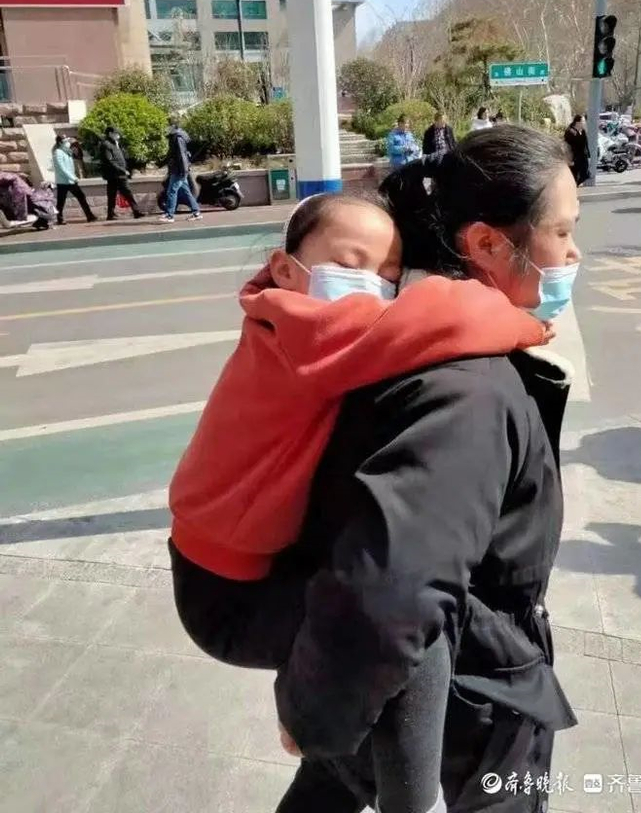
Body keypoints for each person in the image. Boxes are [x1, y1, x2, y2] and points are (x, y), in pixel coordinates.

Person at [169, 192, 549, 813]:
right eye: (350, 265)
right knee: (411, 631)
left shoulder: (293, 325)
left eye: (388, 277)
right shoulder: (303, 329)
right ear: (285, 268)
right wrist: (521, 323)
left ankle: (348, 758)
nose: (371, 287)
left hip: (245, 566)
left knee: (355, 725)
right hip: (224, 595)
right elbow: (441, 320)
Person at [273, 125, 579, 813]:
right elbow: (389, 589)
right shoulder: (469, 389)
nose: (573, 253)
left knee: (334, 784)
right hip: (472, 692)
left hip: (429, 671)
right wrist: (312, 713)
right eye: (562, 232)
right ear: (487, 244)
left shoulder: (433, 340)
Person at [160, 118, 201, 224]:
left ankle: (170, 215)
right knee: (186, 191)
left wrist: (183, 170)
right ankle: (196, 212)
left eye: (168, 125)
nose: (166, 128)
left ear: (173, 126)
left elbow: (181, 155)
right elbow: (172, 154)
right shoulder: (175, 137)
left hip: (178, 170)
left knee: (171, 191)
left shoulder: (178, 138)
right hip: (178, 169)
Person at [99, 126, 144, 221]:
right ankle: (136, 211)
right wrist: (122, 170)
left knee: (113, 194)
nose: (118, 135)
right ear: (110, 134)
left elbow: (121, 157)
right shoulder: (106, 145)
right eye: (116, 133)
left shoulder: (116, 144)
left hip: (117, 174)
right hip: (115, 174)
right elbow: (110, 161)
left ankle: (111, 214)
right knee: (126, 192)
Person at [51, 133, 96, 225]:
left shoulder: (67, 151)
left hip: (71, 181)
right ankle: (60, 218)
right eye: (66, 141)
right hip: (63, 182)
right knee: (61, 201)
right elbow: (61, 168)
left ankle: (90, 215)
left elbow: (71, 165)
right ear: (60, 143)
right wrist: (72, 177)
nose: (68, 142)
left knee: (81, 197)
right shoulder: (58, 152)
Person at [564, 114, 590, 185]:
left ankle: (576, 184)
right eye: (583, 121)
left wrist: (588, 155)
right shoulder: (570, 131)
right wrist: (569, 159)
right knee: (574, 175)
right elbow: (567, 146)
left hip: (583, 157)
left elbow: (585, 144)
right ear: (578, 122)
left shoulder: (583, 131)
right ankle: (573, 186)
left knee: (585, 175)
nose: (584, 123)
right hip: (574, 157)